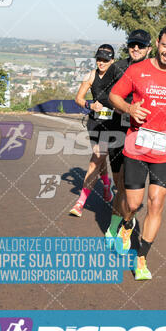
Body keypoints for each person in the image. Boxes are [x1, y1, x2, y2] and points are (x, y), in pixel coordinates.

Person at [109, 24, 166, 280]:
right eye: (165, 46)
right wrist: (129, 110)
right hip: (137, 146)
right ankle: (128, 224)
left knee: (156, 203)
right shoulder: (137, 70)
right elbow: (114, 96)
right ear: (157, 45)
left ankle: (141, 259)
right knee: (132, 203)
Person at [103, 29, 152, 243]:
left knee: (126, 183)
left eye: (141, 45)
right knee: (119, 185)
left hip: (141, 133)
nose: (136, 48)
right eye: (133, 44)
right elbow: (104, 95)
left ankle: (121, 226)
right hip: (117, 130)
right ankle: (120, 221)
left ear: (149, 48)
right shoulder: (119, 67)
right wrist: (125, 106)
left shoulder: (154, 70)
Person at [69, 44, 116, 217]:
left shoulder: (118, 76)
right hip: (96, 123)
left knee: (97, 159)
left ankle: (87, 198)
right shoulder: (91, 75)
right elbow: (78, 98)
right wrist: (90, 104)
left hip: (114, 125)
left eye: (105, 59)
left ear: (112, 60)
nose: (101, 63)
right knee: (98, 159)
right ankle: (100, 189)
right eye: (99, 59)